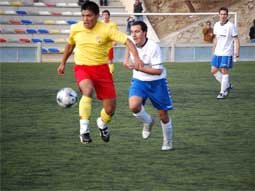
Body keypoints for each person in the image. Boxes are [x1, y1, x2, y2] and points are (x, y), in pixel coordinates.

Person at [57, 1, 143, 144]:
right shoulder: (76, 28)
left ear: (97, 16)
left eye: (89, 16)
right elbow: (70, 45)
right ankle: (84, 130)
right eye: (83, 15)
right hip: (82, 68)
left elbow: (127, 41)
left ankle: (102, 124)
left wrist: (137, 57)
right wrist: (63, 62)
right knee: (88, 90)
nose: (86, 19)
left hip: (102, 70)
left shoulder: (107, 29)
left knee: (110, 110)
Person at [123, 21, 174, 151]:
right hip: (139, 81)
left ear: (145, 33)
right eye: (132, 31)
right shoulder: (130, 40)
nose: (133, 35)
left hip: (157, 82)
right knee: (134, 106)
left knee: (163, 115)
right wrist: (126, 59)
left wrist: (138, 68)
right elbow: (127, 45)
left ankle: (167, 142)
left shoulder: (153, 47)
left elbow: (158, 71)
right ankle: (148, 121)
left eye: (137, 31)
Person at [210, 7, 240, 99]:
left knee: (224, 71)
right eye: (221, 14)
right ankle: (226, 84)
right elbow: (215, 39)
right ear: (219, 15)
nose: (223, 16)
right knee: (213, 71)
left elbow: (236, 39)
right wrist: (213, 51)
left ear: (227, 15)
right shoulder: (216, 25)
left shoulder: (231, 26)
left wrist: (237, 51)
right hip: (217, 52)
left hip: (227, 52)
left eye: (224, 14)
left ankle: (223, 92)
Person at [102, 9, 117, 74]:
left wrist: (115, 41)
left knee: (110, 60)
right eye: (104, 15)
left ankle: (111, 73)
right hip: (101, 45)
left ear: (109, 16)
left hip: (109, 45)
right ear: (102, 16)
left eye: (106, 15)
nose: (105, 16)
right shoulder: (100, 24)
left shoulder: (113, 24)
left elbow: (116, 33)